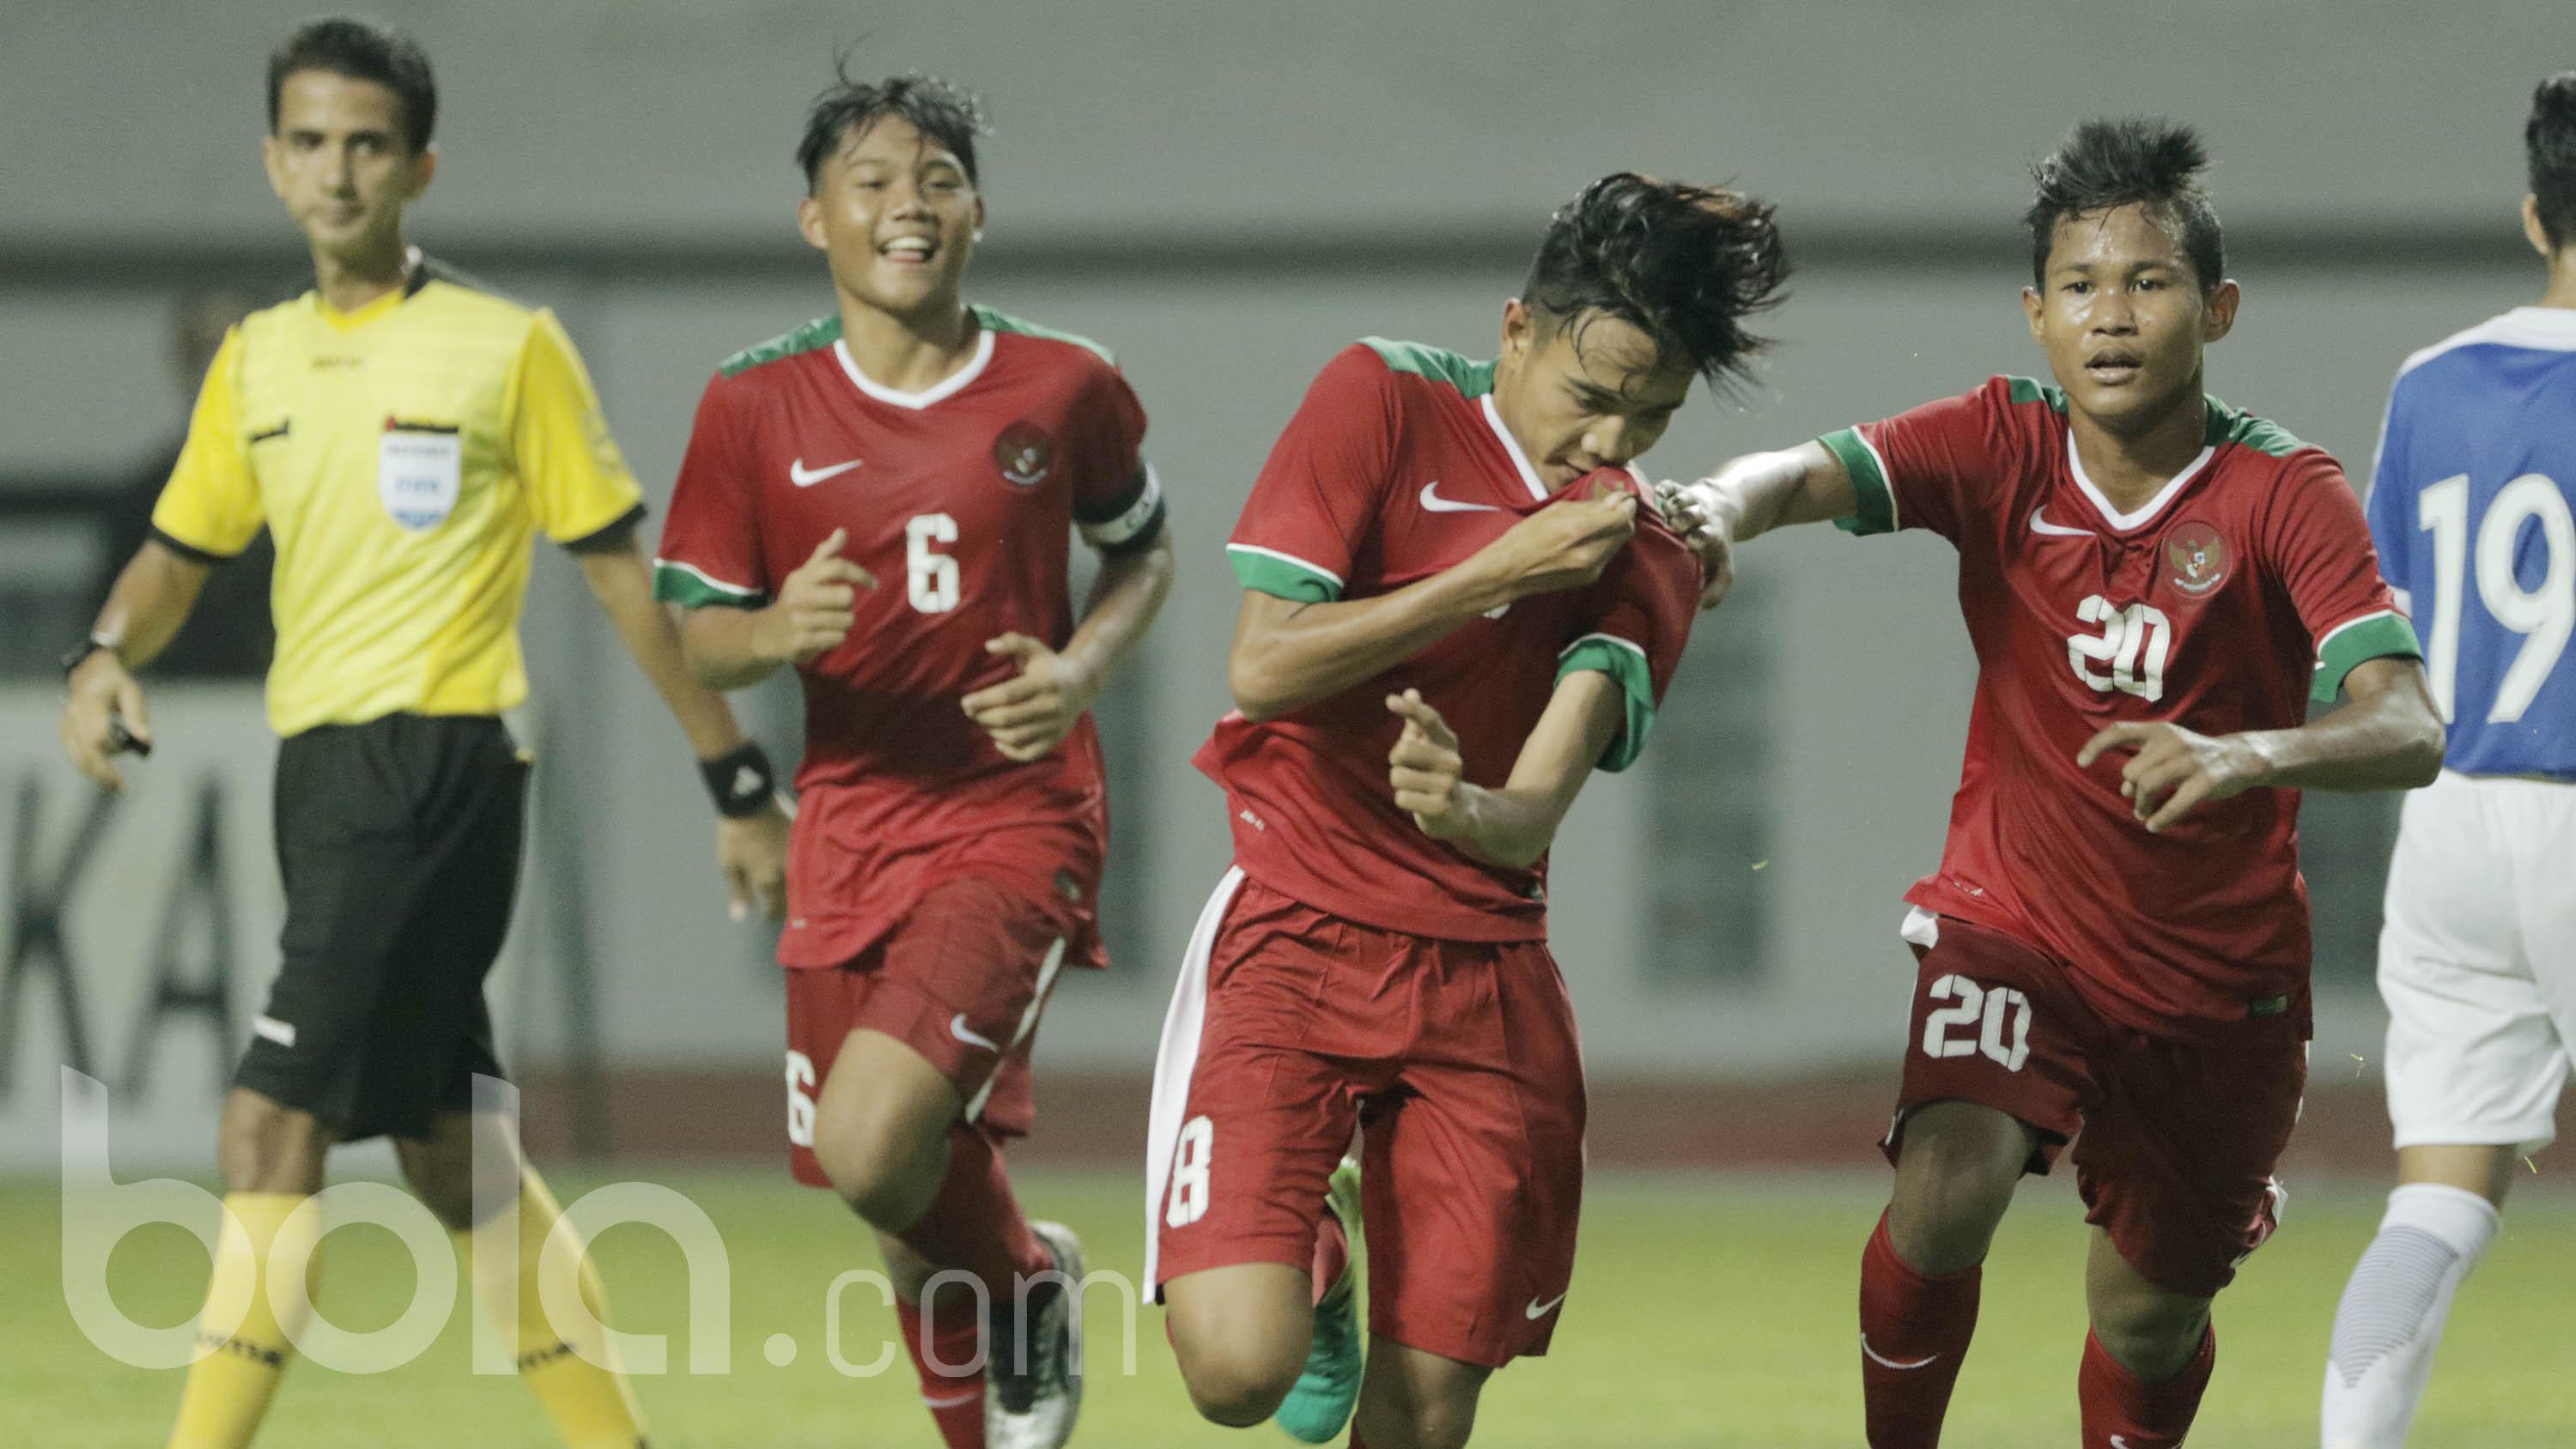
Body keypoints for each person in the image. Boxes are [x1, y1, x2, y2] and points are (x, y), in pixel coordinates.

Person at [57, 19, 791, 1449]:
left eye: (370, 146)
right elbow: (176, 556)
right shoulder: (256, 361)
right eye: (314, 144)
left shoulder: (504, 347)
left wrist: (736, 769)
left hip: (437, 763)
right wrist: (100, 655)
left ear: (421, 167)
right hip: (322, 773)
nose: (340, 173)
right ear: (275, 164)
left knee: (270, 1125)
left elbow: (621, 578)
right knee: (459, 1157)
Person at [1662, 119, 2446, 1449]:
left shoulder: (2282, 494)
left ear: (2220, 306)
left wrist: (2248, 752)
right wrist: (1716, 510)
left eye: (2149, 282)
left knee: (2146, 1317)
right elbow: (1802, 472)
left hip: (2216, 978)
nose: (2113, 316)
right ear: (2035, 315)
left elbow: (2412, 723)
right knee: (1943, 1189)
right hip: (2014, 924)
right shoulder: (1997, 444)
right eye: (2081, 287)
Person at [1147, 172, 1785, 1449]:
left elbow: (1529, 815)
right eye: (1592, 399)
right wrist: (1488, 574)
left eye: (1650, 417)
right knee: (1233, 1375)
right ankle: (1314, 1259)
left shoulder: (1645, 550)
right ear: (1516, 331)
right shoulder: (1380, 399)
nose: (1610, 444)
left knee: (1422, 1422)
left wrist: (1466, 808)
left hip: (1482, 977)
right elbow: (1263, 664)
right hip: (1295, 930)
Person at [651, 69, 1175, 1449]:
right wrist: (773, 628)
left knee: (872, 1146)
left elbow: (1144, 552)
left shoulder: (1064, 385)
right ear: (813, 218)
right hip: (848, 829)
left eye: (936, 179)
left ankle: (1033, 1290)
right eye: (873, 183)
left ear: (979, 214)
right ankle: (1018, 1306)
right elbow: (695, 636)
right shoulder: (751, 405)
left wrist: (1080, 671)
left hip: (1015, 817)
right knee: (895, 1212)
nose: (908, 205)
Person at [2319, 72, 2576, 1449]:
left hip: (2461, 825)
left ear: (2539, 215)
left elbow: (2391, 626)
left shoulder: (2435, 383)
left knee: (2433, 1206)